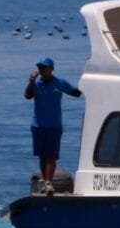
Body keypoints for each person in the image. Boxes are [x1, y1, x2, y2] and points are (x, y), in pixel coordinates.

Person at [24, 57, 82, 196]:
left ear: (51, 68)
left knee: (51, 156)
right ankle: (45, 182)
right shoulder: (36, 84)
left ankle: (49, 183)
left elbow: (76, 93)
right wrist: (31, 81)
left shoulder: (59, 83)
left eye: (44, 67)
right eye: (40, 67)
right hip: (38, 125)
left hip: (54, 125)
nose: (41, 70)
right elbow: (27, 96)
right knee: (42, 156)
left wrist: (87, 83)